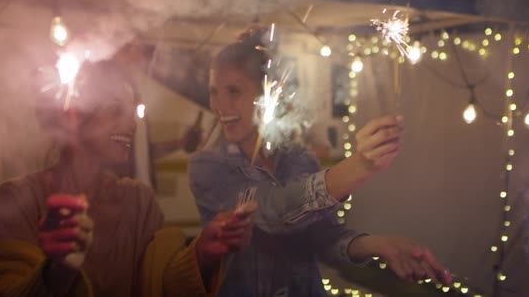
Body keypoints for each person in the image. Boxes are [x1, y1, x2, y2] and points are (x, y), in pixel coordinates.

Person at [188, 28, 452, 296]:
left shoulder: (297, 158)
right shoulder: (208, 166)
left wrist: (378, 245)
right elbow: (273, 210)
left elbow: (320, 238)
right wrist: (358, 166)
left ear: (269, 94)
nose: (219, 104)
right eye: (213, 91)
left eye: (233, 91)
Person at [0, 59, 255, 297]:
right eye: (114, 110)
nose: (131, 124)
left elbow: (161, 287)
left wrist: (203, 253)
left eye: (131, 110)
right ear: (74, 115)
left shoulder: (139, 200)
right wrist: (56, 271)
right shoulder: (18, 199)